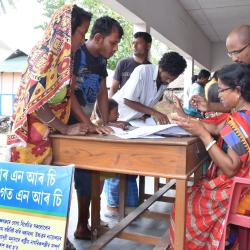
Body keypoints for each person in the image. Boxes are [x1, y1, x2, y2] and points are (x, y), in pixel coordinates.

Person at [8, 4, 92, 250]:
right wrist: (64, 128)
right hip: (31, 143)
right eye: (81, 33)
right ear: (67, 31)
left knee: (53, 195)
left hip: (49, 136)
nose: (83, 39)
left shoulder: (67, 58)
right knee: (32, 198)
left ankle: (53, 239)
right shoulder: (45, 56)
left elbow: (68, 97)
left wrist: (89, 124)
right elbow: (33, 104)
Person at [169, 63, 250, 249]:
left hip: (238, 191)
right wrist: (183, 116)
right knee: (192, 191)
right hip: (243, 185)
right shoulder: (241, 116)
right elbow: (215, 127)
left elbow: (230, 168)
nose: (219, 95)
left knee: (184, 205)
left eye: (222, 90)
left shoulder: (240, 124)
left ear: (237, 91)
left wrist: (203, 136)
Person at [71, 16, 124, 240]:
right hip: (68, 124)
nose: (115, 48)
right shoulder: (76, 54)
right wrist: (87, 123)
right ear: (98, 38)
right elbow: (69, 94)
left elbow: (102, 93)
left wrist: (107, 121)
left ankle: (85, 225)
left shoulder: (101, 62)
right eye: (113, 43)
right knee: (78, 175)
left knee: (88, 173)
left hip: (84, 123)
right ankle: (80, 226)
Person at [112, 51, 187, 124]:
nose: (168, 81)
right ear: (160, 68)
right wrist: (155, 113)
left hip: (133, 120)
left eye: (172, 79)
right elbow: (127, 101)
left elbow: (148, 100)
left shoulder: (164, 81)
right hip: (117, 117)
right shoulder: (143, 71)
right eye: (167, 78)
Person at [191, 25, 250, 113]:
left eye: (236, 52)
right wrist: (209, 106)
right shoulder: (244, 71)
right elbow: (236, 103)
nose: (234, 59)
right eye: (230, 54)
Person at [109, 31, 152, 97]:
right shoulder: (123, 63)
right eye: (133, 43)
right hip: (122, 105)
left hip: (141, 106)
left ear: (148, 46)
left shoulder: (151, 69)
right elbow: (113, 89)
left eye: (139, 43)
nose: (134, 46)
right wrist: (110, 105)